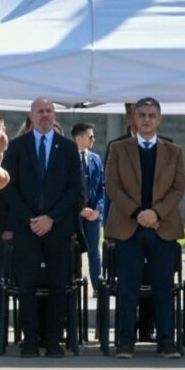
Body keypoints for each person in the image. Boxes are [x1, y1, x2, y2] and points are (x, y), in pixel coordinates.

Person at [105, 97, 185, 359]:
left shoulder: (174, 151)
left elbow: (178, 187)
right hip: (130, 226)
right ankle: (125, 341)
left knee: (164, 286)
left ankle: (166, 342)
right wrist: (138, 213)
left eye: (152, 115)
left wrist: (156, 212)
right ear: (134, 119)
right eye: (142, 115)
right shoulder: (118, 149)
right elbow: (112, 186)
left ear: (159, 119)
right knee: (128, 286)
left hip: (163, 226)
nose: (147, 119)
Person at [3, 97, 81, 358]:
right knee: (26, 286)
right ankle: (30, 341)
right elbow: (8, 188)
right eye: (40, 111)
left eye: (49, 111)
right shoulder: (16, 147)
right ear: (31, 115)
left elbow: (74, 190)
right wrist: (31, 219)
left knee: (59, 285)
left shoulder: (68, 149)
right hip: (27, 230)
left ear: (54, 114)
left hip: (58, 230)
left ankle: (54, 341)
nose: (45, 115)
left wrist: (51, 219)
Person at [72, 122, 105, 293]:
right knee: (74, 250)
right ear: (79, 138)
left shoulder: (96, 158)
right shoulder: (67, 158)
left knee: (95, 251)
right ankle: (74, 286)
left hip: (93, 215)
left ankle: (97, 287)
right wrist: (79, 209)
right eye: (90, 136)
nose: (93, 139)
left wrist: (98, 209)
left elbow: (102, 186)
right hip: (74, 215)